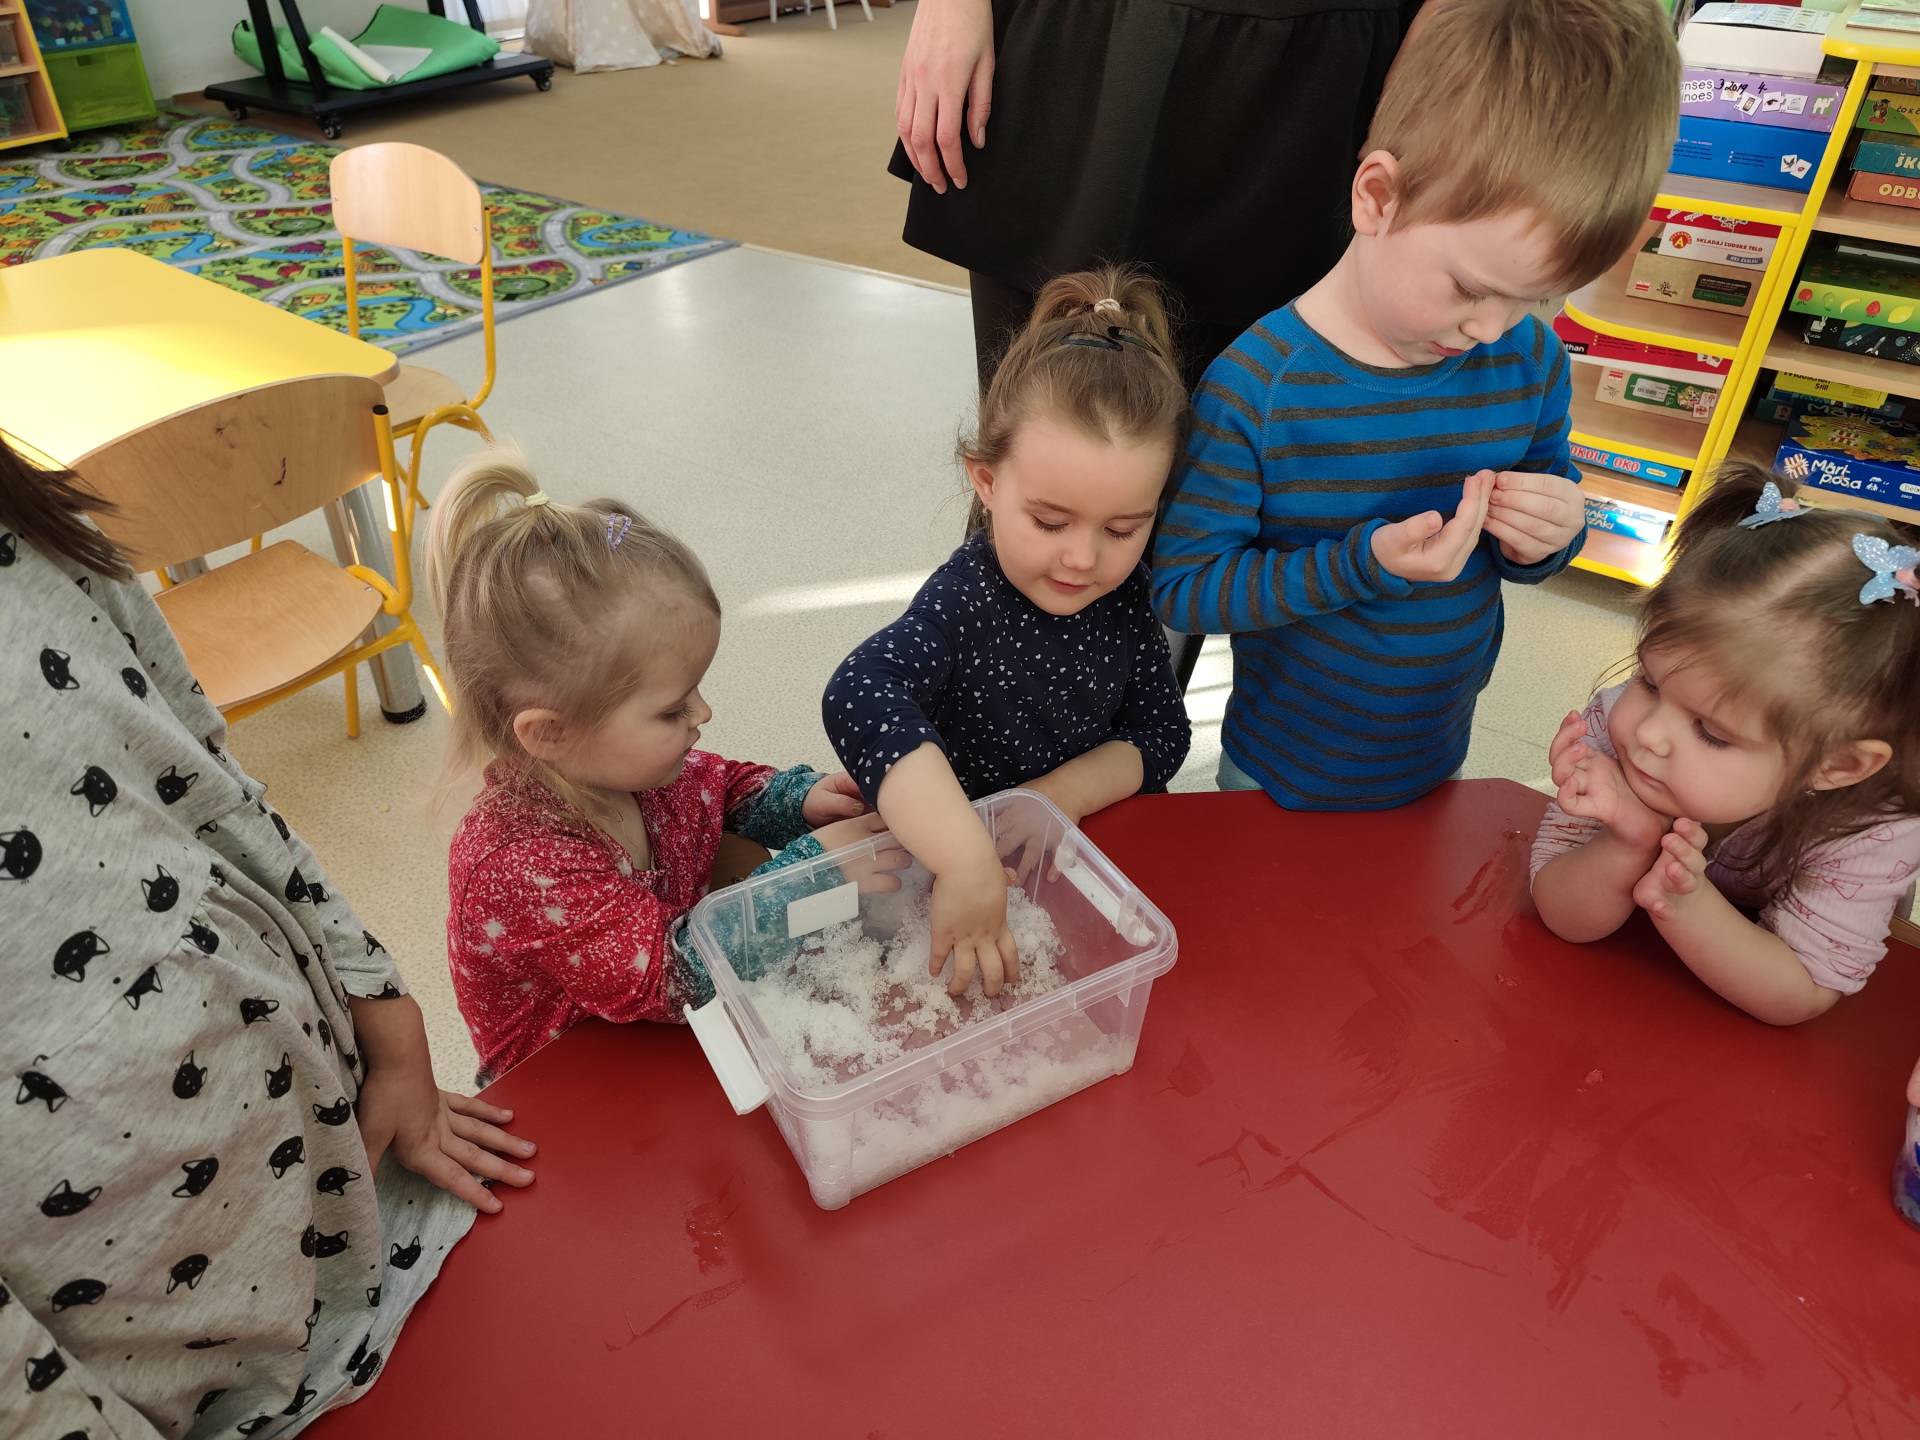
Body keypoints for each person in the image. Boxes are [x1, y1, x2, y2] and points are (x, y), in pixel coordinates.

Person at [0, 434, 533, 1439]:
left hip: (338, 1176)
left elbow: (209, 780)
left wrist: (385, 1014)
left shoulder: (27, 527)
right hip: (132, 1374)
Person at [1150, 0, 1679, 810]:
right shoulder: (1256, 389)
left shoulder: (1528, 361)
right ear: (1377, 197)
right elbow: (1187, 588)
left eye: (1536, 300)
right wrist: (1360, 566)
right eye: (1471, 289)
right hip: (1279, 772)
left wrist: (1553, 532)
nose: (1490, 329)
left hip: (1436, 749)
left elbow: (1539, 518)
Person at [427, 453, 890, 1085]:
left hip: (663, 1036)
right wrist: (811, 874)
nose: (704, 712)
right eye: (673, 709)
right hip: (572, 1089)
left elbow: (719, 787)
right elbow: (675, 978)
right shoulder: (517, 865)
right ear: (551, 732)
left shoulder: (627, 767)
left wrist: (798, 800)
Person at [822, 267, 1193, 999]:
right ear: (987, 482)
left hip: (1064, 866)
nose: (1083, 559)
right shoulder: (966, 599)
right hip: (937, 877)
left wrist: (1058, 796)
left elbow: (1161, 734)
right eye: (1050, 522)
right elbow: (859, 690)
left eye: (1124, 529)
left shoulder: (1125, 596)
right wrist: (964, 857)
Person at [1532, 467, 1920, 1026]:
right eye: (1649, 683)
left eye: (1711, 732)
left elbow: (1801, 991)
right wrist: (1628, 840)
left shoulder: (1870, 830)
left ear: (1837, 764)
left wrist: (1684, 900)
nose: (1648, 733)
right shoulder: (1617, 728)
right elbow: (1560, 912)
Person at [892, 0, 1423, 392]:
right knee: (1039, 438)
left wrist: (1434, 47)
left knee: (1254, 451)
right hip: (1079, 57)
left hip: (1324, 74)